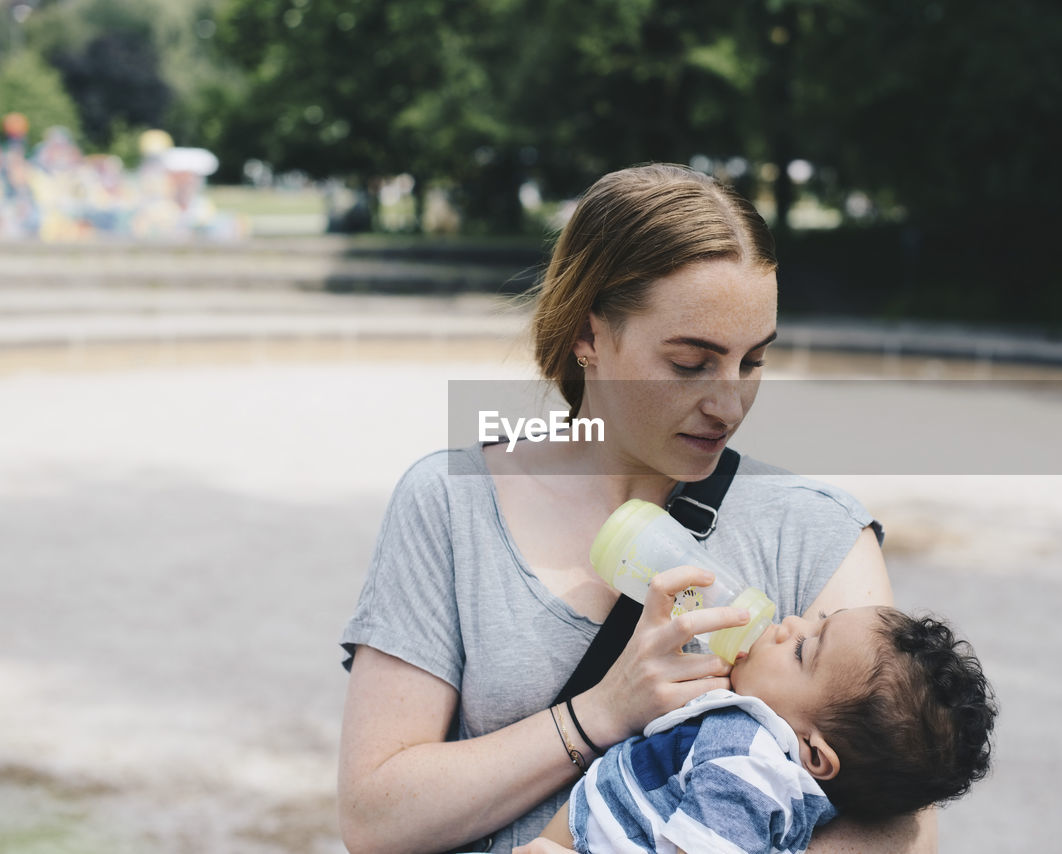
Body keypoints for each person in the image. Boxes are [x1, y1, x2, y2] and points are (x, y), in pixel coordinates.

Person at [338, 163, 938, 854]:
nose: (729, 404)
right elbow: (375, 820)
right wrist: (602, 712)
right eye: (690, 364)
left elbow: (899, 832)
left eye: (752, 362)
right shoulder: (449, 500)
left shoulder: (817, 531)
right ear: (587, 335)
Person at [527, 606, 996, 853]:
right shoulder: (759, 753)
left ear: (814, 752)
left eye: (802, 650)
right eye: (817, 620)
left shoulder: (750, 765)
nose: (786, 625)